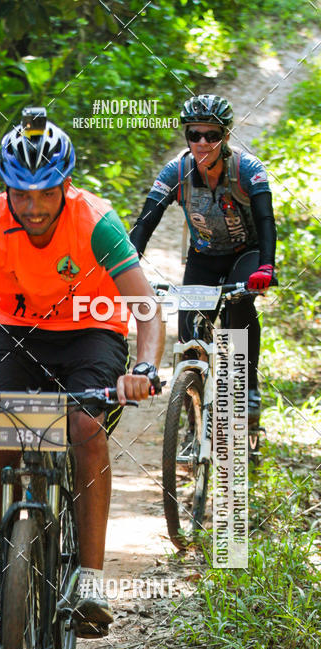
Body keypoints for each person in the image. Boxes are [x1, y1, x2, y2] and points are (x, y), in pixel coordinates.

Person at [0, 107, 164, 637]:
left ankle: (91, 577)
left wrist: (142, 365)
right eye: (20, 194)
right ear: (5, 188)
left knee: (83, 427)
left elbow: (144, 306)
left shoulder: (96, 221)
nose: (33, 207)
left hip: (91, 331)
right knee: (6, 429)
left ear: (65, 186)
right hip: (13, 331)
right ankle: (4, 559)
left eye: (45, 193)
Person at [130, 94, 276, 414]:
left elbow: (266, 220)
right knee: (189, 337)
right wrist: (126, 266)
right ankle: (191, 414)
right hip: (204, 257)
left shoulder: (247, 169)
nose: (202, 142)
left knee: (239, 308)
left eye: (211, 135)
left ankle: (247, 389)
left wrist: (266, 265)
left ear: (225, 137)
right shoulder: (176, 172)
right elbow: (145, 223)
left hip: (244, 255)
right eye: (194, 134)